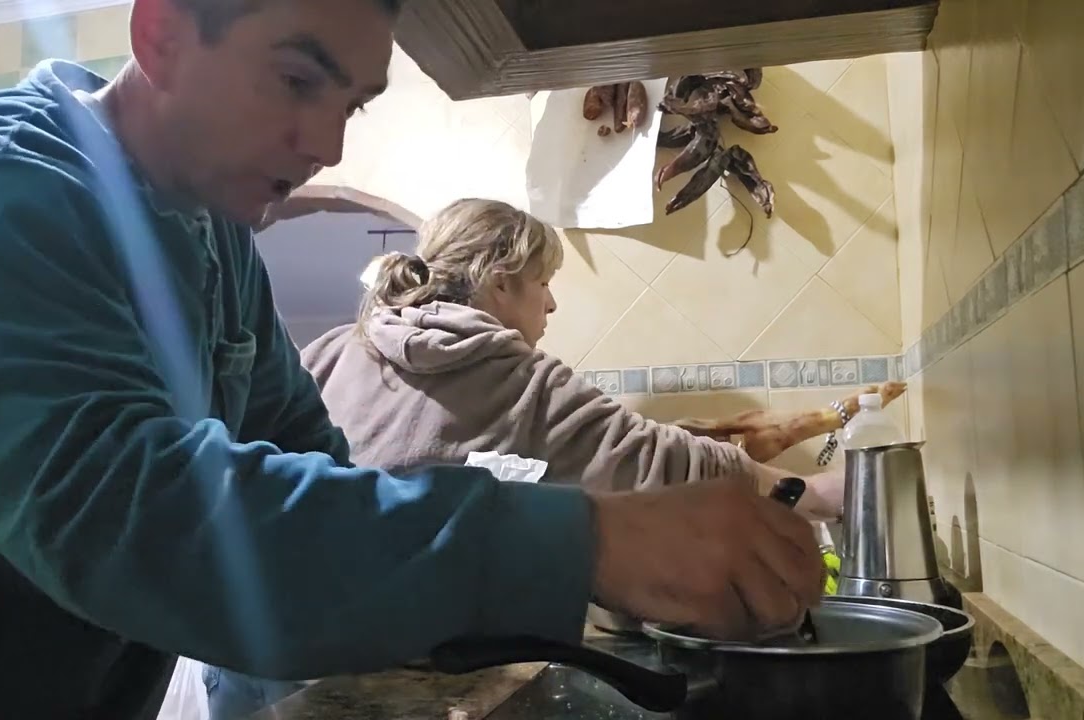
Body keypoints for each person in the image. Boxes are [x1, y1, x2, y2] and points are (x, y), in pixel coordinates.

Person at [0, 1, 822, 719]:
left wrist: (441, 591)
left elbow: (305, 454)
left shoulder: (214, 240)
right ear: (162, 34)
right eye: (299, 81)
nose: (327, 145)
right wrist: (582, 539)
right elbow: (124, 508)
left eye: (350, 105)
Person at [203, 197, 856, 717]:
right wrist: (814, 492)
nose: (550, 302)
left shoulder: (332, 349)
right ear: (500, 280)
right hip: (358, 679)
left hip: (244, 656)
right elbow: (657, 460)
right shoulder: (510, 373)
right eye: (542, 282)